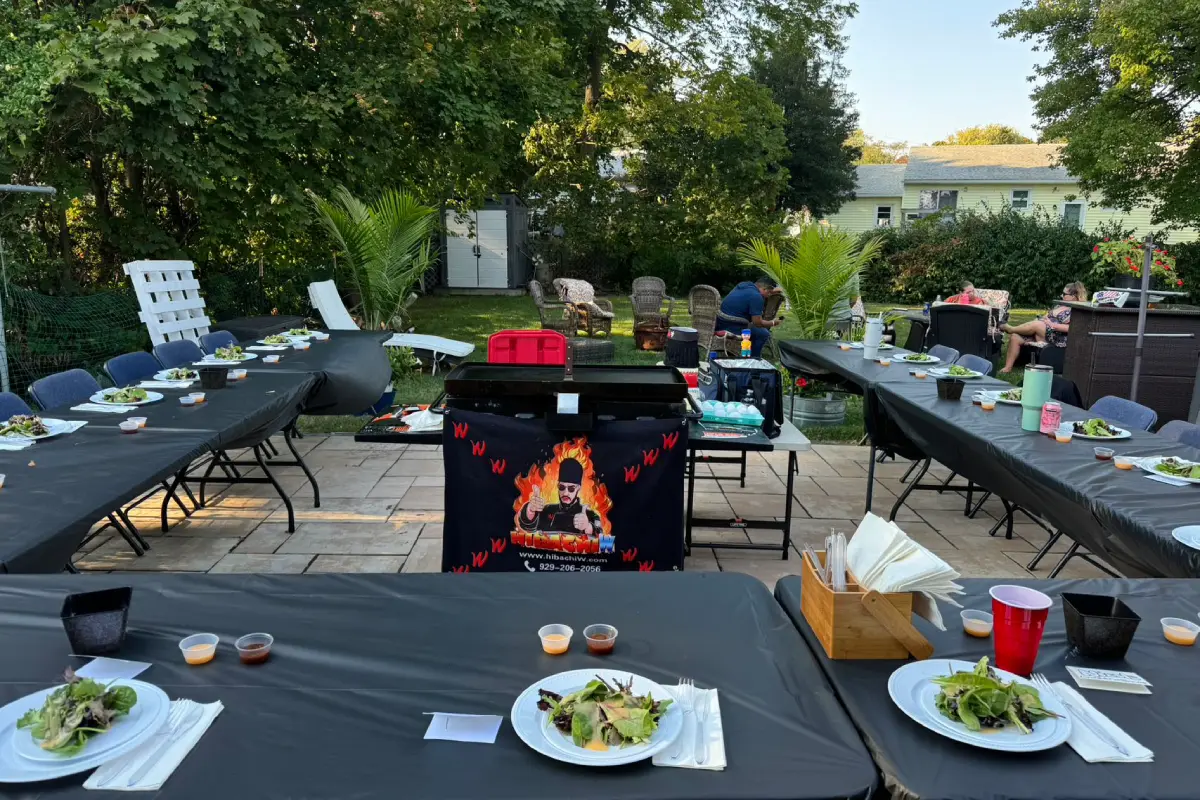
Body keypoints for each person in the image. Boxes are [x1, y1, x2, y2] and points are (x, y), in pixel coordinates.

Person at [998, 281, 1087, 374]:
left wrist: (1052, 325)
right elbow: (1046, 316)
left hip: (1058, 338)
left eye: (1064, 294)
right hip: (1044, 333)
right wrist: (1043, 319)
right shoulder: (1060, 305)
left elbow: (1072, 328)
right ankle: (1008, 367)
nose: (1061, 295)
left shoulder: (1077, 310)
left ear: (1073, 296)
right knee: (1015, 337)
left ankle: (1010, 329)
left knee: (1038, 325)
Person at [518, 458, 602, 536]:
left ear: (578, 488)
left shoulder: (590, 515)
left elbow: (602, 537)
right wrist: (530, 509)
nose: (565, 493)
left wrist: (587, 527)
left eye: (571, 488)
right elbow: (527, 527)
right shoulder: (547, 510)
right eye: (562, 487)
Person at [718, 276, 782, 358]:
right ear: (765, 289)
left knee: (753, 329)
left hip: (719, 323)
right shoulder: (756, 296)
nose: (769, 296)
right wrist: (773, 322)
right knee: (763, 333)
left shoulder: (743, 285)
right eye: (769, 292)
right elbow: (757, 323)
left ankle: (742, 352)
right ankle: (753, 359)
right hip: (733, 327)